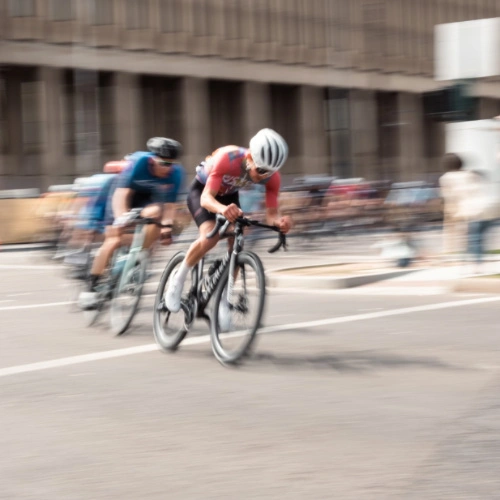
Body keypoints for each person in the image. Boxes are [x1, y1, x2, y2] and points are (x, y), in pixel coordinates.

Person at [165, 128, 292, 319]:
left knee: (237, 240)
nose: (264, 176)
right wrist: (223, 210)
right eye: (261, 170)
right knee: (210, 235)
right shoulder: (228, 158)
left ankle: (224, 299)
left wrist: (279, 222)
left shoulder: (271, 176)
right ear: (249, 157)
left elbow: (271, 213)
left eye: (270, 172)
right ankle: (178, 279)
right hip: (203, 191)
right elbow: (206, 199)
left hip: (230, 194)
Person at [78, 137, 184, 309]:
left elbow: (170, 207)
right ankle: (91, 286)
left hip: (148, 200)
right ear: (152, 159)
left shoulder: (176, 174)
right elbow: (122, 195)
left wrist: (166, 227)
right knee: (114, 239)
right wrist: (121, 218)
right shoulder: (139, 163)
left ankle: (137, 260)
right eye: (163, 163)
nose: (167, 168)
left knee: (157, 215)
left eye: (170, 164)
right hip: (124, 196)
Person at [439, 153, 475, 258]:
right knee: (468, 232)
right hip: (469, 205)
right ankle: (469, 251)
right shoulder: (469, 174)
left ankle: (449, 252)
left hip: (454, 206)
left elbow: (447, 195)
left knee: (450, 232)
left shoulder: (445, 178)